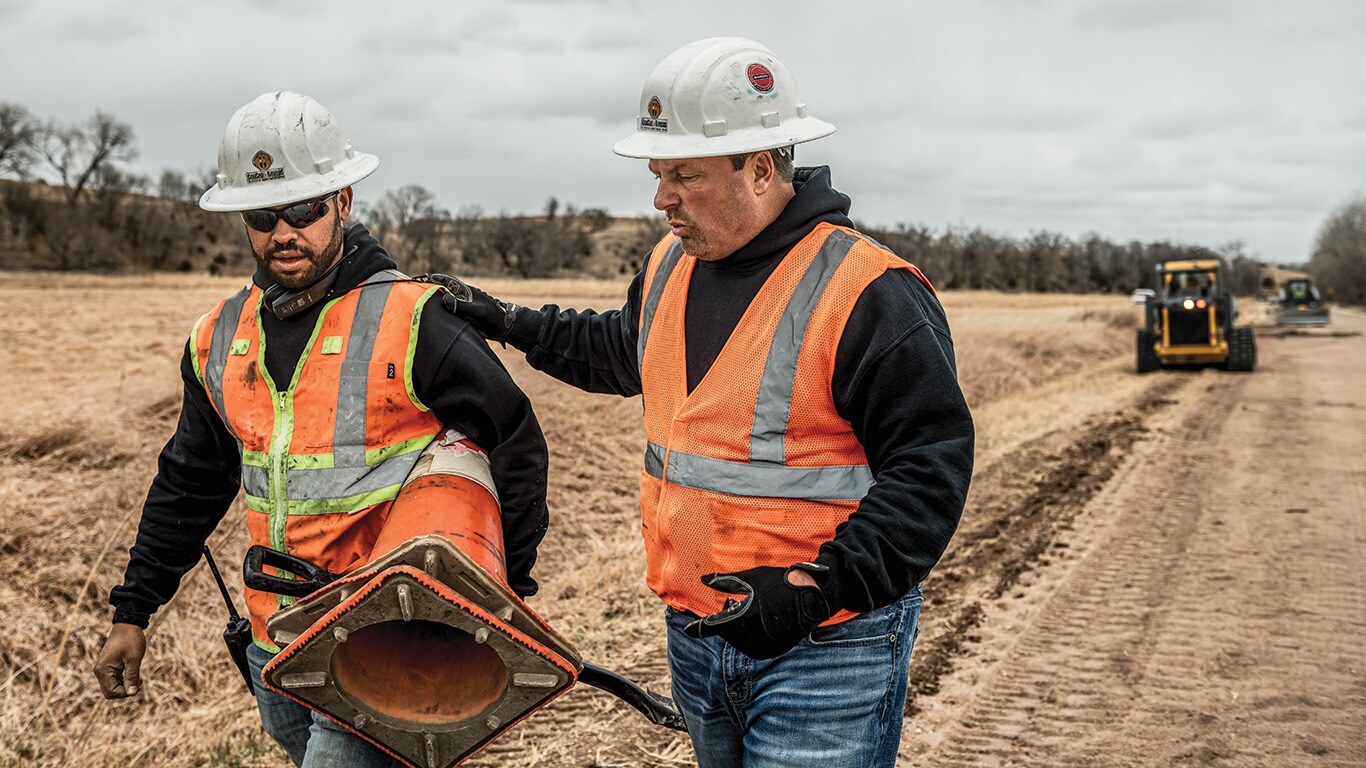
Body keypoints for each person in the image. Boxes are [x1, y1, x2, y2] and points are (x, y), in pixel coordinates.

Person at [445, 38, 974, 766]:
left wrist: (814, 589)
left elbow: (929, 473)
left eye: (684, 176)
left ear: (760, 169)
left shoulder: (871, 293)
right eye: (660, 174)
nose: (662, 197)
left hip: (827, 648)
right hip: (696, 635)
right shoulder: (670, 263)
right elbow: (621, 350)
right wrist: (512, 323)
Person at [92, 91, 550, 768]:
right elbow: (190, 481)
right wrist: (133, 611)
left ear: (343, 202)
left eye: (303, 209)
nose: (283, 231)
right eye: (262, 214)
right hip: (273, 645)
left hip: (378, 644)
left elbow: (514, 441)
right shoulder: (220, 336)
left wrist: (494, 599)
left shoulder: (416, 317)